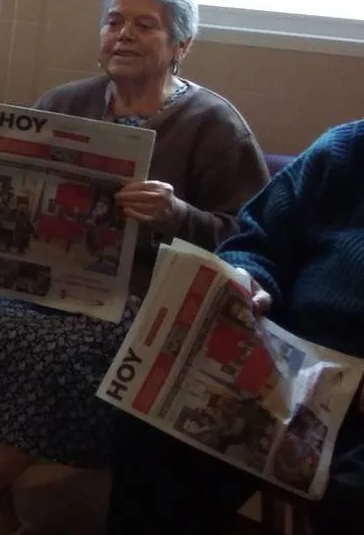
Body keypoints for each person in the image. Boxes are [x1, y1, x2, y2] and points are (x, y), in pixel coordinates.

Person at [0, 0, 270, 535]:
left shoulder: (213, 124)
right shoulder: (66, 102)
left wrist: (176, 214)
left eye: (145, 25)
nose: (124, 34)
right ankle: (1, 517)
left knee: (65, 352)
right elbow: (4, 206)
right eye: (114, 22)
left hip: (143, 299)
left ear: (181, 45)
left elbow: (252, 238)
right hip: (44, 281)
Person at [106, 121, 364, 535]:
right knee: (149, 431)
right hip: (287, 366)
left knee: (353, 496)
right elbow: (257, 237)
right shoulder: (346, 148)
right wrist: (252, 276)